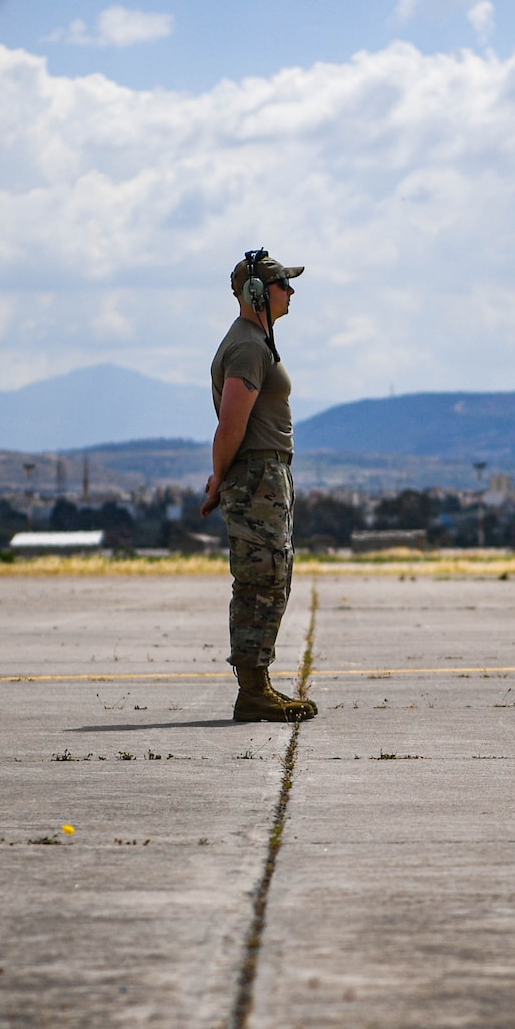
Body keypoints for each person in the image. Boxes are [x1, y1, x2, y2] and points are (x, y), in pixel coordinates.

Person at [201, 249, 319, 723]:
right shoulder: (249, 346)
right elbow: (231, 426)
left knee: (271, 578)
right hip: (256, 479)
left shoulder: (256, 341)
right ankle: (253, 691)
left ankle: (258, 685)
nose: (290, 292)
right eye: (283, 284)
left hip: (264, 477)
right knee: (261, 581)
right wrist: (219, 480)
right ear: (257, 293)